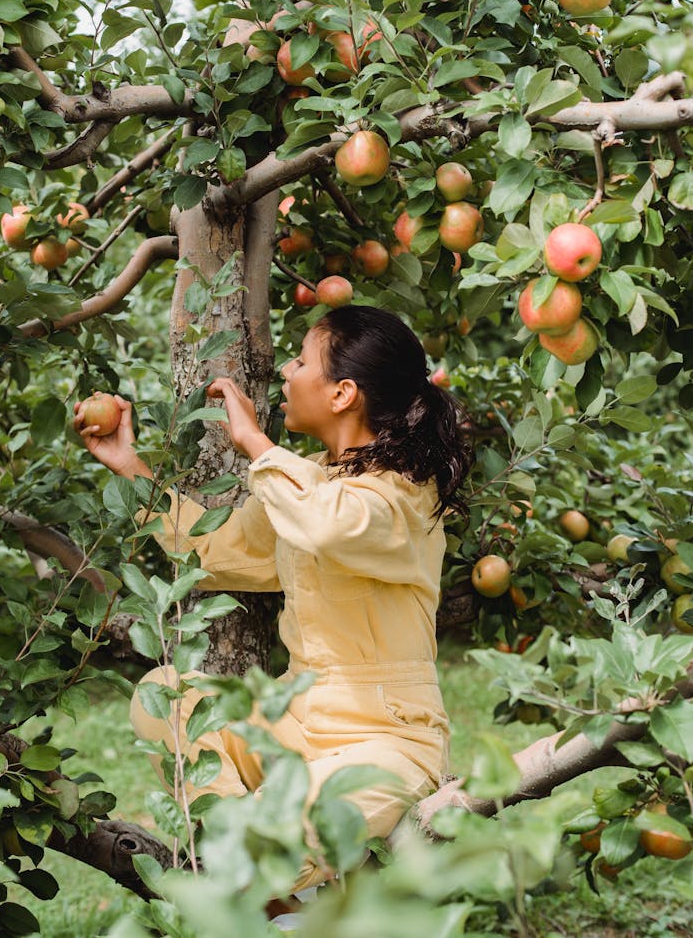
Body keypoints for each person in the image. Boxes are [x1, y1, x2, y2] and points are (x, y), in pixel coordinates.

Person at [74, 305, 474, 891]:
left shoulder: (404, 493)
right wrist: (131, 466)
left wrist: (256, 444)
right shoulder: (310, 478)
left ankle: (263, 873)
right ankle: (253, 868)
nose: (286, 372)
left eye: (300, 359)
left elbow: (329, 524)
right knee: (166, 694)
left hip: (388, 737)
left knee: (268, 847)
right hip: (296, 717)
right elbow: (223, 549)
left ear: (342, 393)